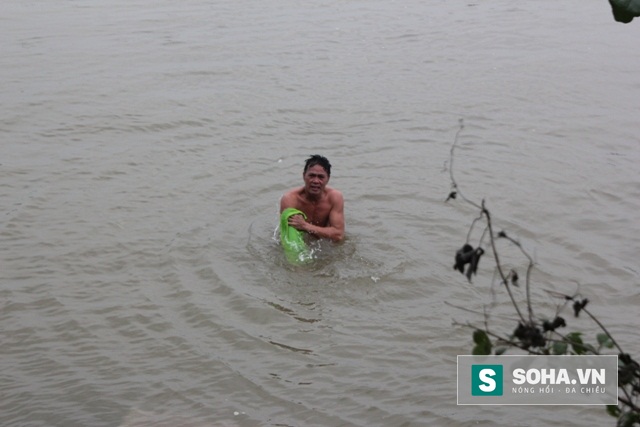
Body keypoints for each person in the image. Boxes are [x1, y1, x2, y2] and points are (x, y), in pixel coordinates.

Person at [280, 155, 345, 242]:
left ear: (328, 179)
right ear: (304, 176)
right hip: (301, 240)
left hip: (324, 242)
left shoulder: (335, 197)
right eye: (311, 175)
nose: (315, 181)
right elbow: (288, 235)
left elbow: (339, 235)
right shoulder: (291, 199)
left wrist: (305, 226)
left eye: (321, 177)